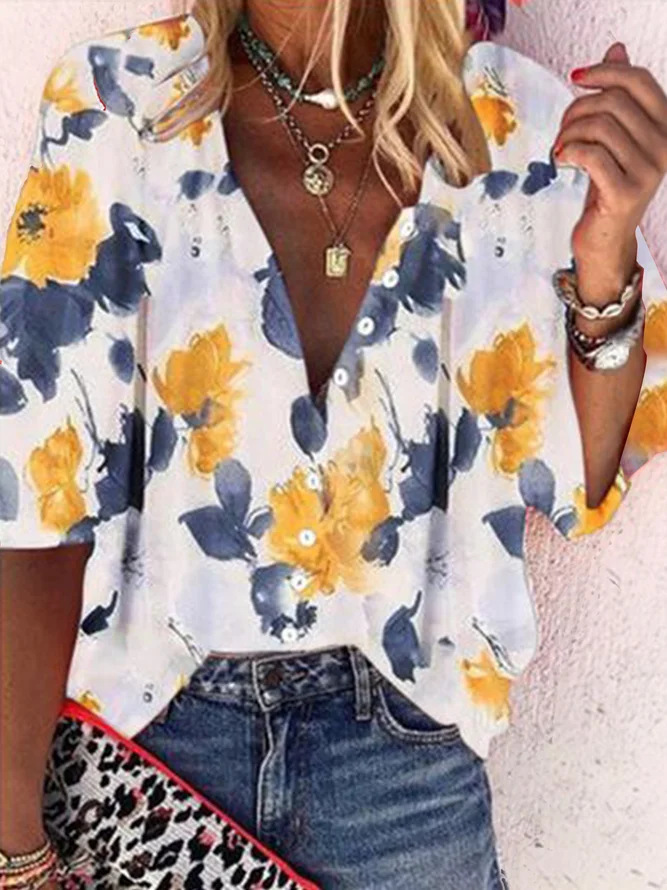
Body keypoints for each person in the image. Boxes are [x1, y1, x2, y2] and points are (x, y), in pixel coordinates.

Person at [1, 1, 666, 888]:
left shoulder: (526, 129)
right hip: (150, 753)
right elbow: (33, 510)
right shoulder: (115, 105)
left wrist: (606, 251)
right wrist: (12, 842)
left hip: (406, 782)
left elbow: (580, 482)